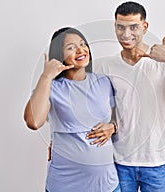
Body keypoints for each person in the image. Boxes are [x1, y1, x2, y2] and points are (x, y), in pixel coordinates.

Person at [86, 1, 165, 192]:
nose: (126, 34)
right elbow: (88, 107)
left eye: (133, 27)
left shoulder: (161, 61)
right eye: (120, 27)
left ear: (144, 27)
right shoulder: (105, 67)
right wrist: (62, 140)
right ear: (115, 26)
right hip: (119, 161)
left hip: (156, 163)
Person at [24, 27, 120, 192]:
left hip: (107, 184)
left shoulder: (104, 82)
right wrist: (46, 76)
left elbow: (118, 117)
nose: (80, 49)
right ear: (59, 55)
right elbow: (33, 121)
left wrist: (113, 127)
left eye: (83, 44)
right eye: (71, 47)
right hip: (66, 185)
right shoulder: (51, 87)